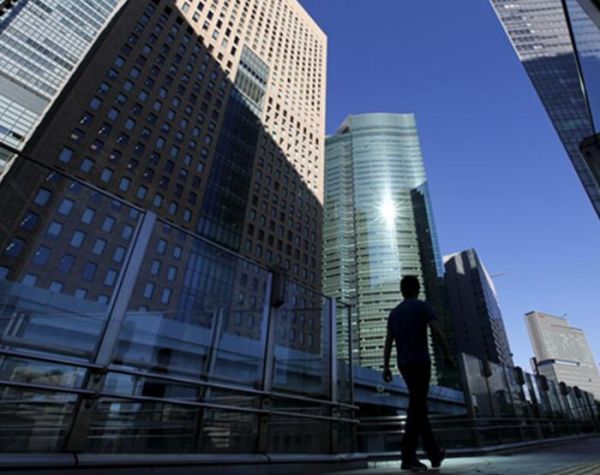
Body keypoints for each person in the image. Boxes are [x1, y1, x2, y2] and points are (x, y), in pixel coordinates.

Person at [383, 275, 455, 471]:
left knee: (418, 406)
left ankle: (434, 454)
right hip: (421, 362)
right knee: (417, 407)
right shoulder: (422, 307)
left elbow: (388, 341)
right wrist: (447, 354)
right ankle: (408, 455)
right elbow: (437, 330)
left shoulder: (394, 313)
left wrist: (386, 366)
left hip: (404, 364)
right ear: (418, 289)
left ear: (402, 291)